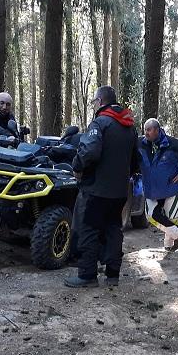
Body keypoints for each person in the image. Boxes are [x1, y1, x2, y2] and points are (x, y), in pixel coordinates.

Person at [65, 85, 138, 288]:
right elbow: (135, 160)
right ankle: (112, 275)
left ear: (100, 101)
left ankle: (87, 275)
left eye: (94, 102)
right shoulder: (130, 127)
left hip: (96, 189)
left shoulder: (100, 123)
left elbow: (89, 151)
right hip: (119, 192)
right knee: (114, 229)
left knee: (88, 229)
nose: (94, 105)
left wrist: (77, 167)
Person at [138, 118, 178, 252]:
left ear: (157, 130)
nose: (146, 133)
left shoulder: (173, 144)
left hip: (171, 187)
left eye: (149, 130)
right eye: (145, 130)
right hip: (151, 188)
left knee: (171, 218)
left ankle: (168, 246)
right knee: (150, 215)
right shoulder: (140, 143)